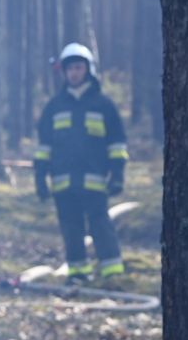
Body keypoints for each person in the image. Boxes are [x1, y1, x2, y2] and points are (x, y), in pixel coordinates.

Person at [34, 42, 127, 282]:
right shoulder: (54, 107)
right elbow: (44, 147)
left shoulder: (104, 106)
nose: (74, 73)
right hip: (63, 182)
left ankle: (113, 273)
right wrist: (40, 178)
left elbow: (117, 144)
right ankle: (77, 273)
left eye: (78, 67)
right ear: (63, 72)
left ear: (88, 69)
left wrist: (117, 175)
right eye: (70, 68)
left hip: (95, 181)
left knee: (100, 224)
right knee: (71, 228)